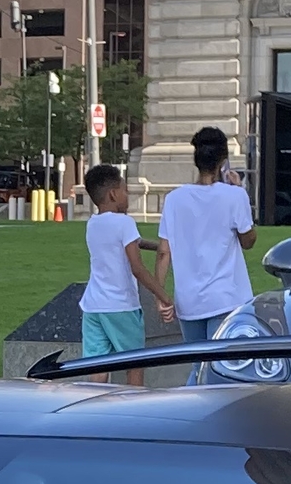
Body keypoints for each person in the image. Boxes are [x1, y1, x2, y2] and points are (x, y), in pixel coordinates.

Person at [157, 125, 257, 384]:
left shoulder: (174, 199)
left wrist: (161, 296)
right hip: (225, 296)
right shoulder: (234, 196)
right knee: (221, 370)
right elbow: (248, 241)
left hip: (189, 299)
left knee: (198, 366)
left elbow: (163, 252)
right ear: (223, 161)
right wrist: (239, 191)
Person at [78, 165, 164, 381]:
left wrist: (157, 246)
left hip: (93, 305)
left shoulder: (92, 224)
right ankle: (134, 409)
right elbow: (137, 268)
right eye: (125, 190)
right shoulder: (125, 223)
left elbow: (130, 242)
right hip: (121, 306)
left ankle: (95, 410)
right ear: (113, 194)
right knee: (134, 364)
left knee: (97, 365)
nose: (127, 196)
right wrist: (163, 296)